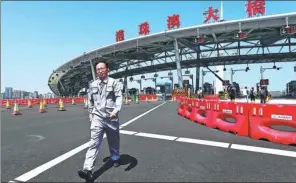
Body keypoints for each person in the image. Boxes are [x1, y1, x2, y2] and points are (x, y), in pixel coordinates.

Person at [78, 61, 123, 181]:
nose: (100, 71)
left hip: (111, 117)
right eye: (97, 69)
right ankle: (87, 170)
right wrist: (91, 114)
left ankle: (115, 157)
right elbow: (90, 101)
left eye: (102, 68)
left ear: (107, 69)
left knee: (113, 141)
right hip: (97, 117)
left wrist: (116, 111)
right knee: (93, 143)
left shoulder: (114, 82)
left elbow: (119, 98)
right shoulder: (92, 84)